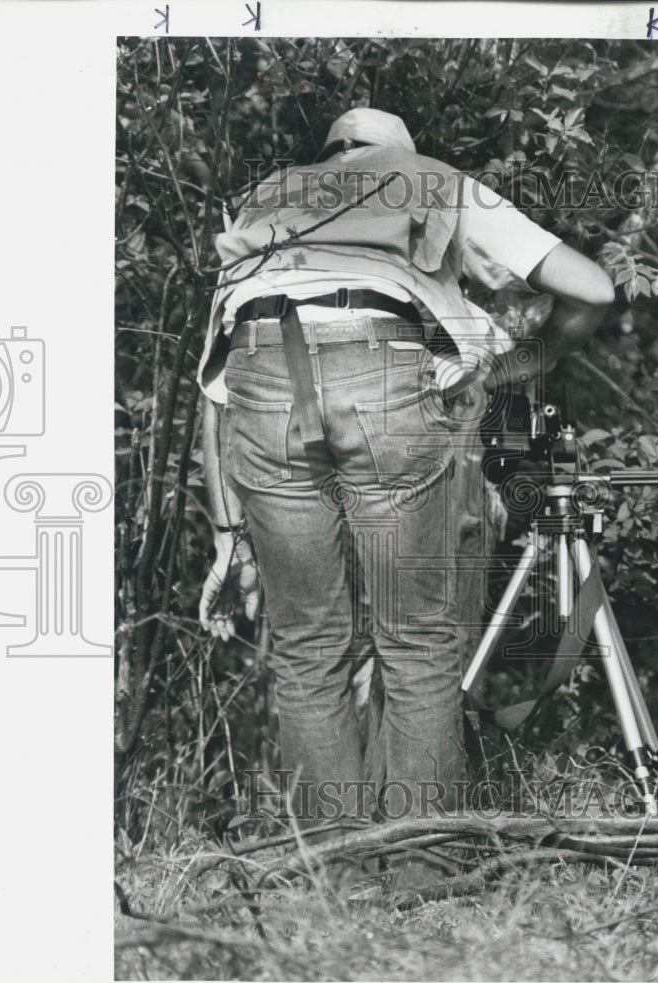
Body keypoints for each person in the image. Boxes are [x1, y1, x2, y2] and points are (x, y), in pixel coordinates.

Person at [197, 108, 614, 827]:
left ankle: (339, 865)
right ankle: (417, 861)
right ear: (400, 151)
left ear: (330, 151)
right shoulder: (429, 179)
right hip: (379, 367)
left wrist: (226, 535)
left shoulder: (267, 194)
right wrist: (533, 359)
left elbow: (215, 389)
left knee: (305, 645)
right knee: (416, 639)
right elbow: (594, 288)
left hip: (261, 379)